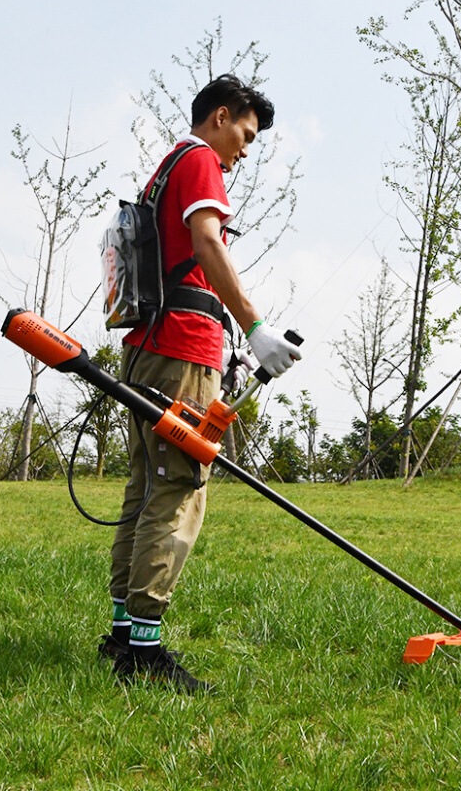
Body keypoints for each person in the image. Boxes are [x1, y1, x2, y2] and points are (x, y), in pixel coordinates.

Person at [101, 74, 302, 693]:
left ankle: (121, 635)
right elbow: (207, 241)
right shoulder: (199, 161)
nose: (245, 149)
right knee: (178, 487)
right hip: (180, 352)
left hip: (148, 349)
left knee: (145, 489)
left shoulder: (164, 168)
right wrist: (255, 327)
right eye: (245, 134)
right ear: (221, 117)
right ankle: (143, 651)